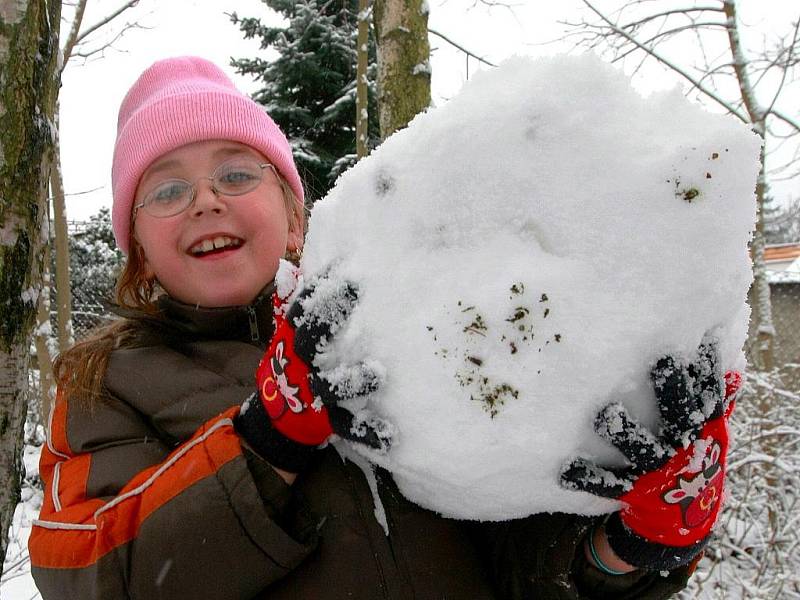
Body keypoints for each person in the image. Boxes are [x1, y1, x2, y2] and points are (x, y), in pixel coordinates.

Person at [29, 56, 740, 600]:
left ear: (294, 212)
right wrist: (266, 439)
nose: (206, 201)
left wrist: (631, 545)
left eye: (236, 174)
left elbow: (515, 555)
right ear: (139, 252)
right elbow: (84, 570)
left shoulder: (391, 326)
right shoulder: (107, 384)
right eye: (167, 189)